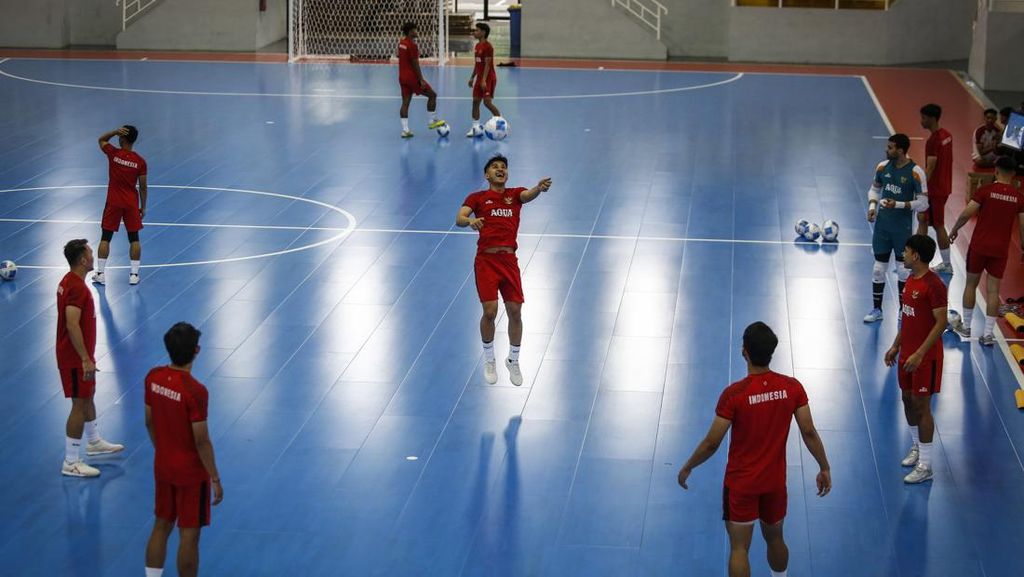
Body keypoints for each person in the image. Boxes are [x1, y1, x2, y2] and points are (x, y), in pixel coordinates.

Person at [677, 322, 831, 577]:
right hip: (774, 483)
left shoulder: (734, 395)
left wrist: (688, 466)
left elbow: (711, 442)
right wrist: (824, 466)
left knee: (739, 549)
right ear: (770, 352)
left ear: (744, 351)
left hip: (741, 486)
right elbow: (809, 431)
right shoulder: (792, 388)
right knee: (775, 539)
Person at [456, 155, 551, 386]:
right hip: (486, 262)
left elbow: (528, 195)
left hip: (509, 261)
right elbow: (459, 218)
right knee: (490, 311)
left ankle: (513, 360)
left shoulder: (514, 194)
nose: (500, 170)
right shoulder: (477, 197)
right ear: (487, 175)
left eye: (504, 167)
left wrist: (538, 188)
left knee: (515, 311)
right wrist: (470, 222)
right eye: (495, 167)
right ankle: (490, 359)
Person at [144, 322, 223, 577]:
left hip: (163, 465)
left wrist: (162, 448)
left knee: (161, 524)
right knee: (189, 535)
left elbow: (149, 419)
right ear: (196, 350)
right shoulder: (195, 391)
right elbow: (201, 440)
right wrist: (214, 476)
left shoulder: (153, 377)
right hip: (190, 474)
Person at [57, 239, 123, 477]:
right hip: (74, 357)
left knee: (88, 395)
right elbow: (72, 324)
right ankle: (71, 461)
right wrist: (85, 358)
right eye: (90, 253)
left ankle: (94, 441)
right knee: (78, 404)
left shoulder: (70, 282)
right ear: (83, 260)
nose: (93, 256)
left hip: (81, 355)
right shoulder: (76, 288)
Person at [884, 234, 947, 484]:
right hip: (907, 355)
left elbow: (941, 322)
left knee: (922, 407)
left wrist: (920, 353)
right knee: (907, 400)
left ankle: (927, 465)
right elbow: (907, 318)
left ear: (916, 256)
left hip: (925, 358)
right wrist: (896, 345)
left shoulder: (934, 286)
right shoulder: (910, 280)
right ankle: (917, 447)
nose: (903, 254)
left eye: (907, 250)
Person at [949, 156, 1024, 345]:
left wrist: (955, 229)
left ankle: (966, 328)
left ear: (996, 171)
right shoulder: (1018, 198)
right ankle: (989, 335)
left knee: (970, 285)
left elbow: (967, 213)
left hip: (979, 247)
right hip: (1000, 251)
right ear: (1014, 174)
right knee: (993, 291)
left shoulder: (985, 191)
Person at [864, 134, 930, 323]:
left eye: (891, 147)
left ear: (901, 150)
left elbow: (924, 203)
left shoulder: (916, 172)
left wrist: (898, 205)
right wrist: (871, 207)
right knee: (878, 269)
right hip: (882, 227)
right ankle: (877, 310)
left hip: (903, 229)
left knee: (902, 270)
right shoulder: (882, 167)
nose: (887, 150)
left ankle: (903, 310)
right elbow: (874, 189)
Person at [93, 125, 147, 286]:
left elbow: (101, 139)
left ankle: (101, 274)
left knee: (106, 237)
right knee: (134, 238)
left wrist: (114, 132)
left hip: (113, 202)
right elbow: (143, 186)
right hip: (131, 203)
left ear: (122, 138)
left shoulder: (113, 154)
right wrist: (143, 207)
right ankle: (134, 275)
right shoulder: (140, 162)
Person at [918, 104, 954, 274]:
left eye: (923, 118)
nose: (921, 121)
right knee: (923, 219)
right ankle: (918, 259)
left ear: (932, 118)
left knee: (938, 225)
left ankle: (947, 264)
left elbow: (931, 168)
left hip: (935, 191)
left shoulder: (933, 140)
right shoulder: (947, 135)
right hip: (944, 186)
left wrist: (921, 189)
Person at [397, 22, 446, 138]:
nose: (417, 32)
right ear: (410, 32)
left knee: (405, 103)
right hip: (411, 77)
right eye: (415, 30)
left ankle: (405, 130)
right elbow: (415, 64)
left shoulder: (401, 43)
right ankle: (432, 120)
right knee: (432, 95)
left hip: (402, 77)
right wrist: (421, 80)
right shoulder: (412, 45)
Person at [466, 22, 501, 138]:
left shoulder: (488, 47)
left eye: (477, 30)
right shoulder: (477, 46)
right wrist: (472, 77)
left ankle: (501, 123)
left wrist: (484, 80)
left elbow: (487, 64)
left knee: (487, 102)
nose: (474, 32)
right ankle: (476, 128)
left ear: (483, 32)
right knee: (475, 102)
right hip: (480, 78)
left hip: (489, 78)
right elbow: (477, 64)